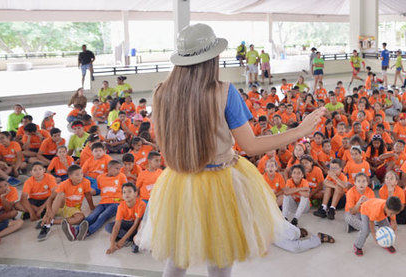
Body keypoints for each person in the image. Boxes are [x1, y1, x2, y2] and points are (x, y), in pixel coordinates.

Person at [136, 24, 325, 277]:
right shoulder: (224, 92)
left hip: (178, 183)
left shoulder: (161, 92)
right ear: (212, 57)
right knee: (220, 257)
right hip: (220, 182)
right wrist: (299, 131)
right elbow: (251, 146)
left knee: (176, 256)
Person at [64, 160, 126, 241]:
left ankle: (88, 232)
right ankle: (76, 230)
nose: (119, 171)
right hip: (103, 202)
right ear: (110, 168)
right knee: (92, 216)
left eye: (120, 169)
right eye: (117, 168)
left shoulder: (121, 176)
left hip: (115, 203)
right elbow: (100, 189)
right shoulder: (100, 177)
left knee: (102, 216)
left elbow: (126, 190)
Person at [37, 165, 94, 241]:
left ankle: (52, 222)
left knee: (81, 218)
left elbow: (88, 196)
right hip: (60, 206)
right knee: (61, 194)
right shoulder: (64, 184)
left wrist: (92, 207)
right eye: (77, 175)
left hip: (73, 209)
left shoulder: (86, 182)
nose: (80, 176)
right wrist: (48, 211)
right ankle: (47, 226)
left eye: (81, 173)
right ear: (70, 176)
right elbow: (51, 198)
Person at [106, 182, 146, 254]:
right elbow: (117, 226)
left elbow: (135, 225)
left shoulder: (141, 204)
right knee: (108, 227)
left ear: (135, 193)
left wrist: (122, 240)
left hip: (138, 226)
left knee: (142, 229)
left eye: (129, 192)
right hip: (128, 224)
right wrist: (112, 245)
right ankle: (131, 239)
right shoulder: (121, 206)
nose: (126, 194)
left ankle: (132, 239)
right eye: (124, 192)